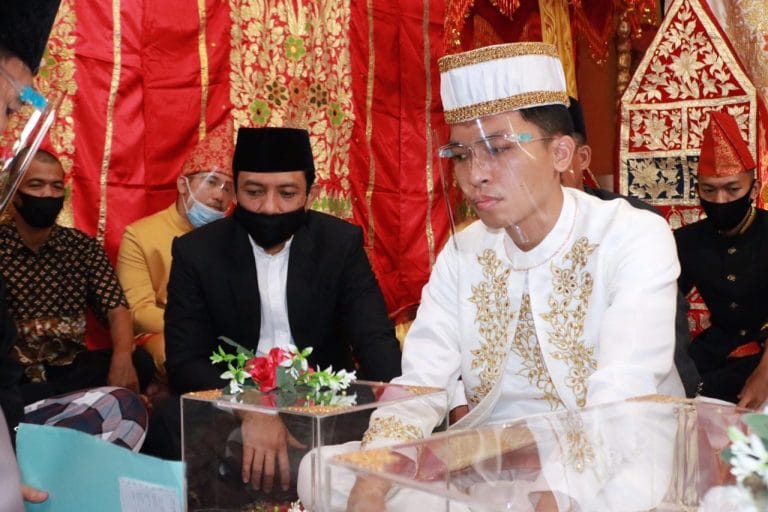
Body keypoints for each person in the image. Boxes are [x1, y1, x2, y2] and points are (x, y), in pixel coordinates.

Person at [328, 42, 683, 510]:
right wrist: (374, 477)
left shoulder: (632, 235)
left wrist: (555, 497)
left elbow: (623, 391)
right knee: (327, 471)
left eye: (497, 149)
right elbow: (421, 381)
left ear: (561, 153)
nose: (475, 175)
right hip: (495, 455)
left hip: (613, 451)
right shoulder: (464, 251)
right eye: (460, 155)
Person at [150, 127, 402, 487]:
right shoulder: (197, 253)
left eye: (287, 194)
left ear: (311, 195)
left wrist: (396, 417)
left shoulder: (339, 244)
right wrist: (250, 406)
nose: (270, 207)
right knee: (170, 424)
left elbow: (374, 339)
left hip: (323, 402)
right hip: (232, 400)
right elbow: (185, 361)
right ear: (235, 190)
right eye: (254, 192)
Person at [562, 97, 700, 398]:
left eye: (560, 155)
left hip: (628, 395)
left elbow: (666, 321)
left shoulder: (633, 222)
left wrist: (683, 392)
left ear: (581, 157)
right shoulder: (497, 233)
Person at [0, 148, 155, 405]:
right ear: (14, 191)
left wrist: (122, 359)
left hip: (69, 367)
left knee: (141, 362)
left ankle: (65, 403)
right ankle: (78, 403)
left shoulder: (82, 247)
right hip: (13, 371)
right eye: (36, 185)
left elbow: (116, 309)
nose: (48, 194)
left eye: (56, 186)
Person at [117, 122, 235, 370]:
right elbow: (138, 311)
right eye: (211, 182)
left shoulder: (233, 238)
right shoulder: (140, 235)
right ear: (183, 185)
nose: (219, 195)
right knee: (182, 357)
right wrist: (198, 327)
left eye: (228, 188)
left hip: (224, 333)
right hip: (164, 332)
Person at [675, 111, 768, 409]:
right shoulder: (686, 240)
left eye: (732, 189)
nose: (720, 200)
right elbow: (665, 304)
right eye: (709, 190)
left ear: (754, 189)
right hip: (717, 351)